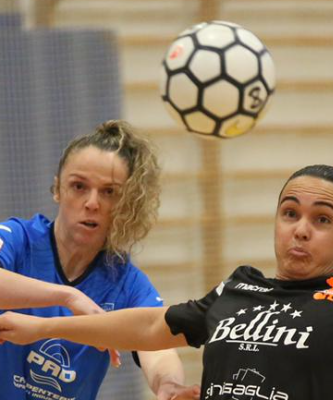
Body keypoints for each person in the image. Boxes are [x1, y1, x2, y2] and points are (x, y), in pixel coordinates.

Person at [2, 164, 333, 399]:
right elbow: (151, 326)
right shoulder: (239, 289)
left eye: (322, 219)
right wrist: (44, 327)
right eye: (290, 213)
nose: (301, 230)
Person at [0, 120, 199, 400]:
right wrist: (68, 296)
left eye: (109, 192)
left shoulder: (124, 281)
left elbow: (155, 336)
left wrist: (167, 382)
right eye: (79, 186)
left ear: (125, 203)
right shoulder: (17, 240)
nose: (92, 203)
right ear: (57, 189)